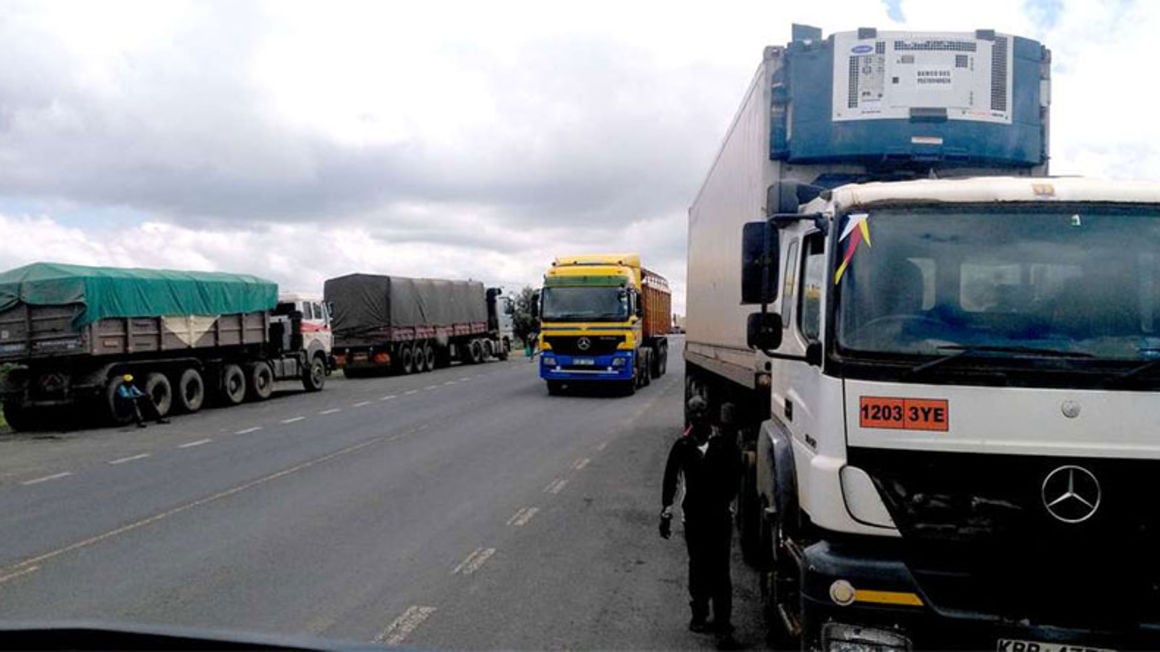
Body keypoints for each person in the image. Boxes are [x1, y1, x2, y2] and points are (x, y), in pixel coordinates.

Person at [660, 395, 741, 649]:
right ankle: (699, 614)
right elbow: (671, 478)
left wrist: (726, 501)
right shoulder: (683, 446)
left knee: (721, 571)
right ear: (689, 416)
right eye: (693, 412)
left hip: (720, 517)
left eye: (701, 411)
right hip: (694, 518)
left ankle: (723, 622)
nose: (698, 416)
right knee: (698, 566)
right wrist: (666, 511)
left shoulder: (724, 444)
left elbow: (736, 475)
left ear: (709, 414)